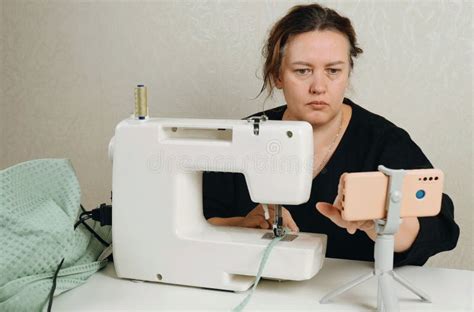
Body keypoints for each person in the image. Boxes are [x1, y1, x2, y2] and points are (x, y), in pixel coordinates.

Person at [202, 3, 459, 266]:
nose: (318, 87)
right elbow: (201, 218)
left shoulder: (383, 142)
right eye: (302, 71)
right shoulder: (243, 137)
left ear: (348, 73)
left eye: (333, 71)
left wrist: (378, 224)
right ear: (277, 75)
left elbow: (438, 226)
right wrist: (242, 226)